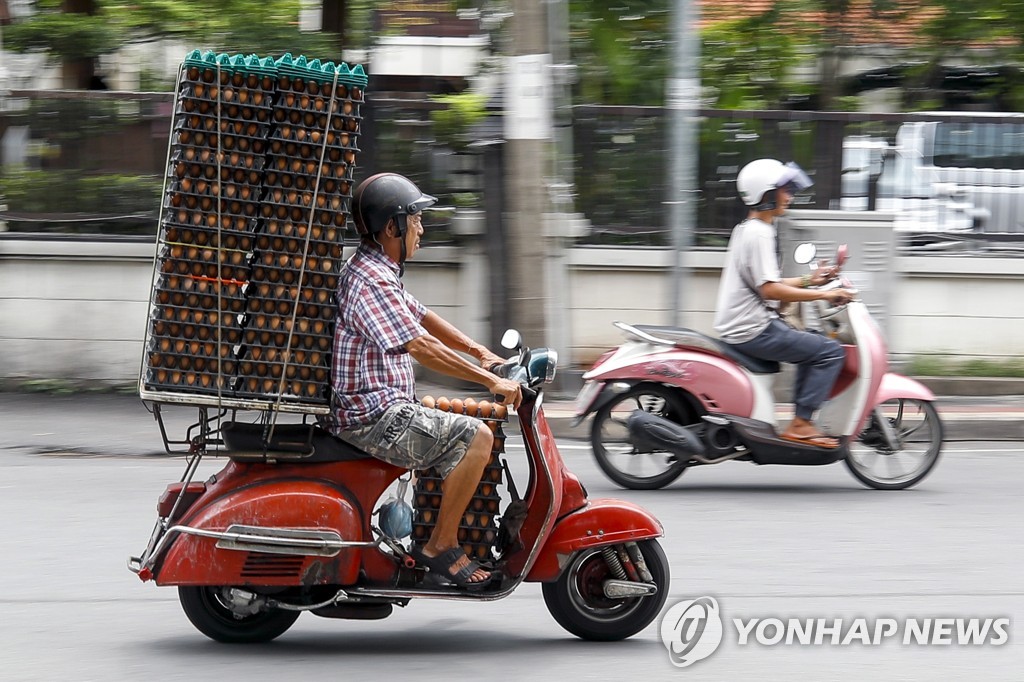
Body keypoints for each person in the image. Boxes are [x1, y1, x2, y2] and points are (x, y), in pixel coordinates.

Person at [326, 172, 522, 588]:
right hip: (371, 415)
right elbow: (421, 346)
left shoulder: (379, 271)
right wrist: (489, 382)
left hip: (382, 405)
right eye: (415, 220)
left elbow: (423, 317)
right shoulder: (370, 281)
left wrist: (482, 354)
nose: (421, 229)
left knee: (456, 424)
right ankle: (439, 546)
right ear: (393, 226)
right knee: (477, 438)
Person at [714, 159, 855, 448]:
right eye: (784, 190)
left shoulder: (749, 228)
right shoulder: (759, 233)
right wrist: (826, 295)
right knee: (829, 352)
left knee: (813, 343)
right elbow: (770, 290)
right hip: (753, 329)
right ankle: (801, 423)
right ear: (766, 194)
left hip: (748, 325)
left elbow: (767, 283)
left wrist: (811, 281)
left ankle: (801, 419)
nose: (789, 196)